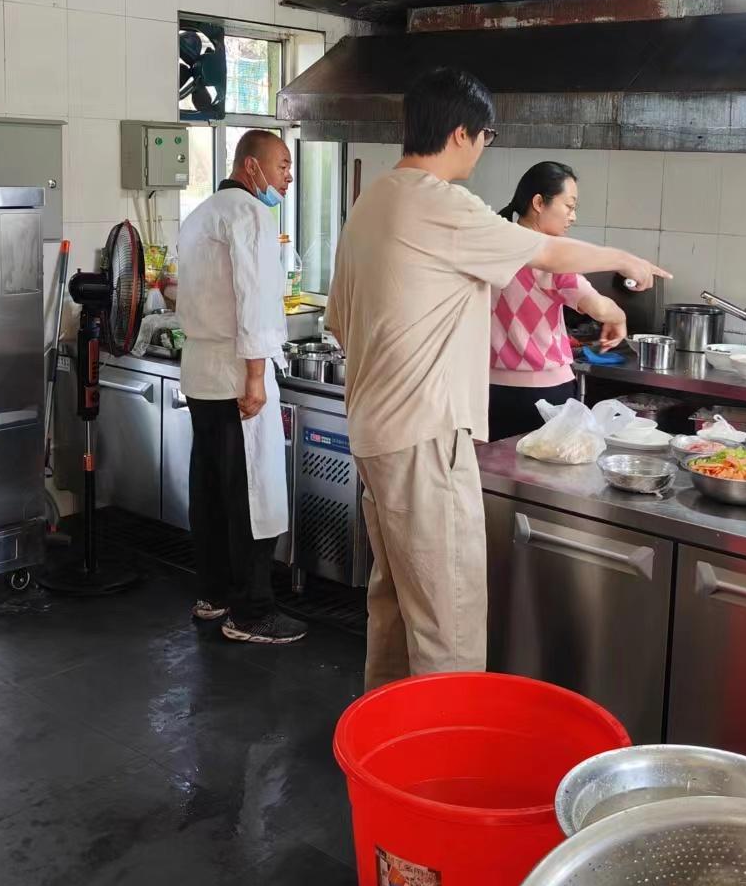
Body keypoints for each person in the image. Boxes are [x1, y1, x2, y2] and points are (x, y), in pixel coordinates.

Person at [328, 67, 668, 690]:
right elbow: (547, 253)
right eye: (486, 135)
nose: (484, 148)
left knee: (397, 603)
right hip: (426, 436)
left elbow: (340, 323)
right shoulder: (441, 203)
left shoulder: (373, 200)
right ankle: (446, 747)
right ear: (462, 133)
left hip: (375, 432)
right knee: (448, 619)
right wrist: (625, 259)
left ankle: (389, 735)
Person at [176, 129, 306, 645]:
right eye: (282, 165)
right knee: (252, 492)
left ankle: (213, 595)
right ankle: (252, 613)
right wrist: (255, 376)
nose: (288, 177)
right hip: (236, 374)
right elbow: (253, 300)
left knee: (211, 490)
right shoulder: (250, 215)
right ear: (251, 166)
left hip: (201, 372)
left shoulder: (201, 214)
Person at [488, 161, 629, 442]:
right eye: (569, 206)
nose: (572, 216)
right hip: (545, 393)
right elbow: (599, 308)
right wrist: (619, 317)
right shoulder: (553, 260)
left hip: (489, 390)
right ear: (539, 203)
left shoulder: (491, 248)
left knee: (494, 466)